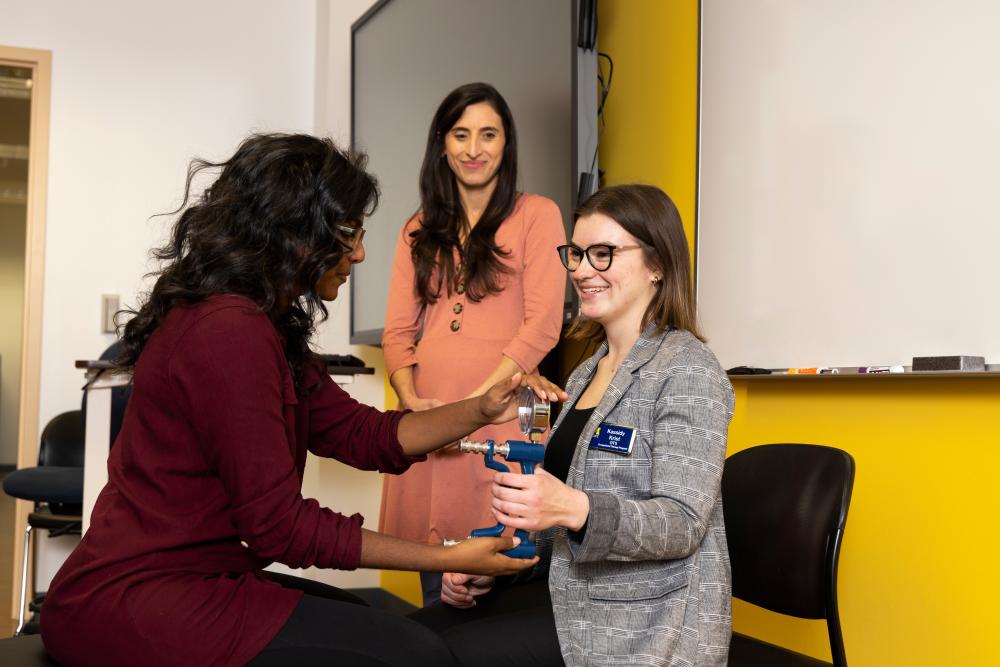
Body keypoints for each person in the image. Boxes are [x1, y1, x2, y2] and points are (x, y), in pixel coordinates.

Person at [38, 133, 561, 667]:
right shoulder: (227, 333)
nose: (359, 252)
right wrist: (445, 555)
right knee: (415, 654)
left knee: (392, 631)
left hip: (200, 577)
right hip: (133, 599)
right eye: (350, 232)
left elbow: (368, 435)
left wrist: (480, 409)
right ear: (293, 232)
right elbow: (279, 526)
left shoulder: (263, 324)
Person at [410, 184, 736, 666]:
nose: (582, 270)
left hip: (644, 628)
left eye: (603, 254)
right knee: (408, 638)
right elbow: (563, 519)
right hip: (570, 600)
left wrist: (573, 507)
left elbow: (681, 523)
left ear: (658, 265)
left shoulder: (688, 369)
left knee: (437, 656)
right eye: (578, 254)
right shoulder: (586, 373)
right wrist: (497, 565)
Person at [380, 82, 567, 604]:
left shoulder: (539, 215)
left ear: (507, 145)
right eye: (460, 135)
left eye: (488, 134)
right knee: (437, 587)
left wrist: (474, 406)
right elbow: (397, 332)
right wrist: (415, 406)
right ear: (442, 144)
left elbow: (543, 326)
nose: (473, 148)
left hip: (502, 413)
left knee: (499, 569)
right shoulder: (417, 230)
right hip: (426, 415)